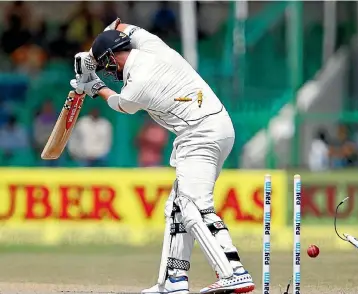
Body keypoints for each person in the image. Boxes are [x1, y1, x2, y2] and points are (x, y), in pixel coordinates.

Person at [70, 20, 254, 294]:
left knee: (193, 205)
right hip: (214, 127)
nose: (106, 71)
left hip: (200, 133)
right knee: (177, 208)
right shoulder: (150, 44)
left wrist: (94, 86)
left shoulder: (140, 81)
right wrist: (101, 40)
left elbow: (122, 104)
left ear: (110, 58)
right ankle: (174, 281)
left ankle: (233, 270)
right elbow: (122, 25)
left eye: (104, 64)